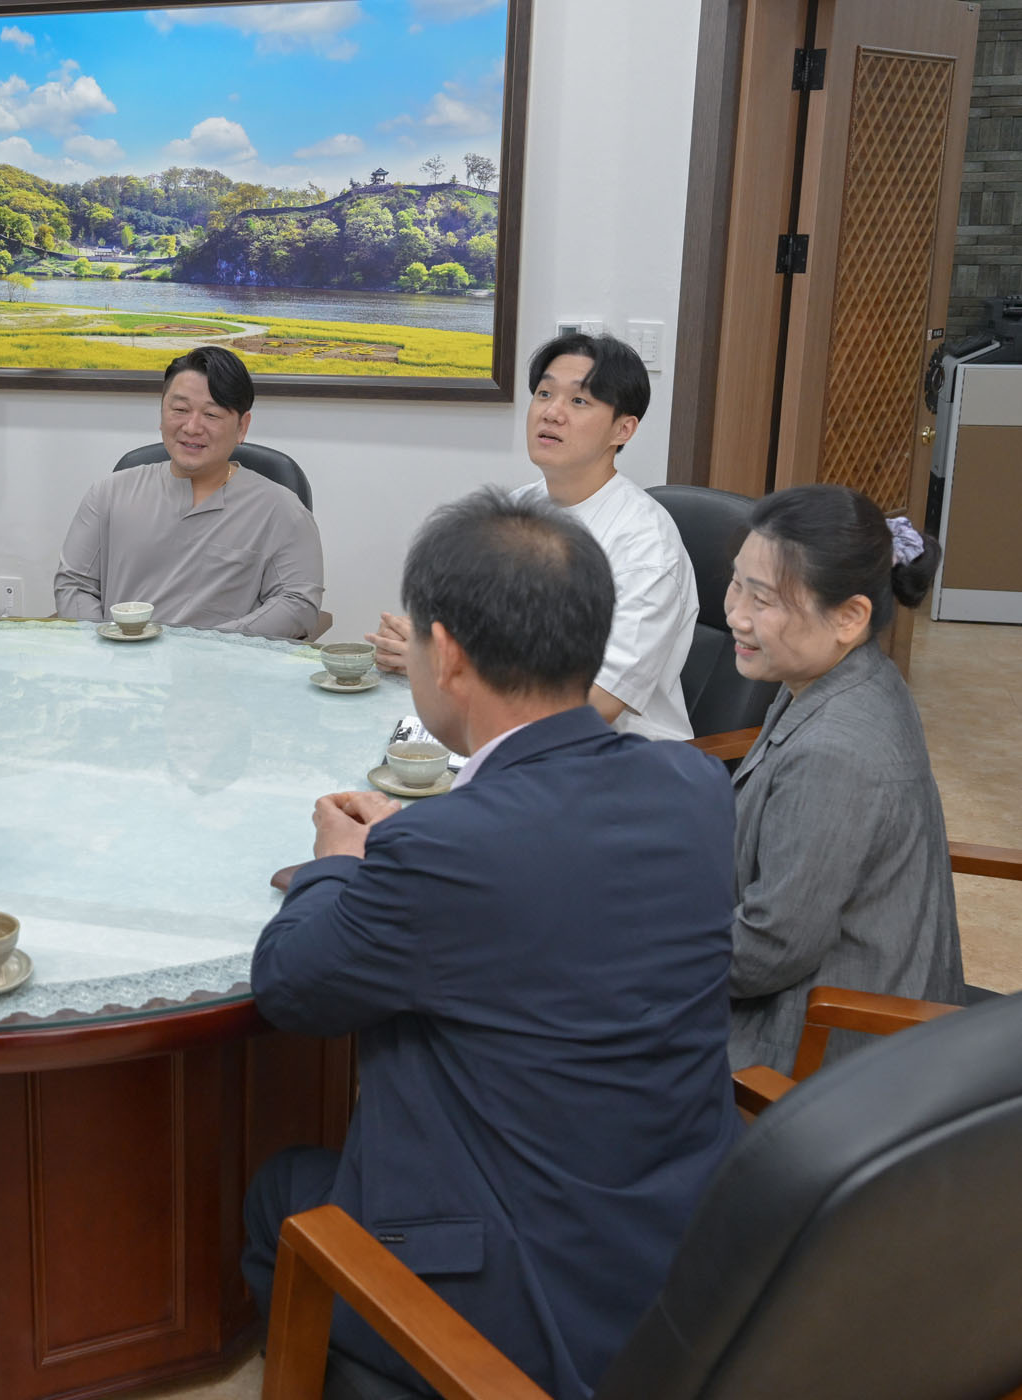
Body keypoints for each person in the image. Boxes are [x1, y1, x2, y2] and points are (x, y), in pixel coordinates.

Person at [246, 490, 738, 1400]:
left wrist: (339, 861)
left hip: (515, 1316)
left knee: (278, 1192)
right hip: (678, 1266)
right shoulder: (696, 787)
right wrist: (409, 850)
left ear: (447, 654)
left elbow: (290, 986)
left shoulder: (443, 851)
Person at [722, 484, 963, 1073]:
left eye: (764, 599)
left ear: (850, 618)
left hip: (825, 1044)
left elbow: (769, 952)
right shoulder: (842, 676)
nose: (736, 615)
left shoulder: (834, 751)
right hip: (817, 995)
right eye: (736, 584)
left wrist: (647, 956)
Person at [368, 333, 697, 739]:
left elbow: (599, 704)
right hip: (504, 730)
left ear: (623, 429)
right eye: (544, 394)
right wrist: (422, 647)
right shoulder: (517, 509)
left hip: (613, 752)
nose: (552, 413)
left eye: (579, 401)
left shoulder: (646, 545)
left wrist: (442, 668)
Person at [54, 346, 325, 639]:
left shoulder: (280, 509)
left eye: (211, 414)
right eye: (180, 410)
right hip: (118, 660)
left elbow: (298, 604)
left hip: (223, 663)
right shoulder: (109, 493)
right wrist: (101, 640)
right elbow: (74, 585)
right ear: (162, 414)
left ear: (242, 427)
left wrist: (210, 645)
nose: (192, 427)